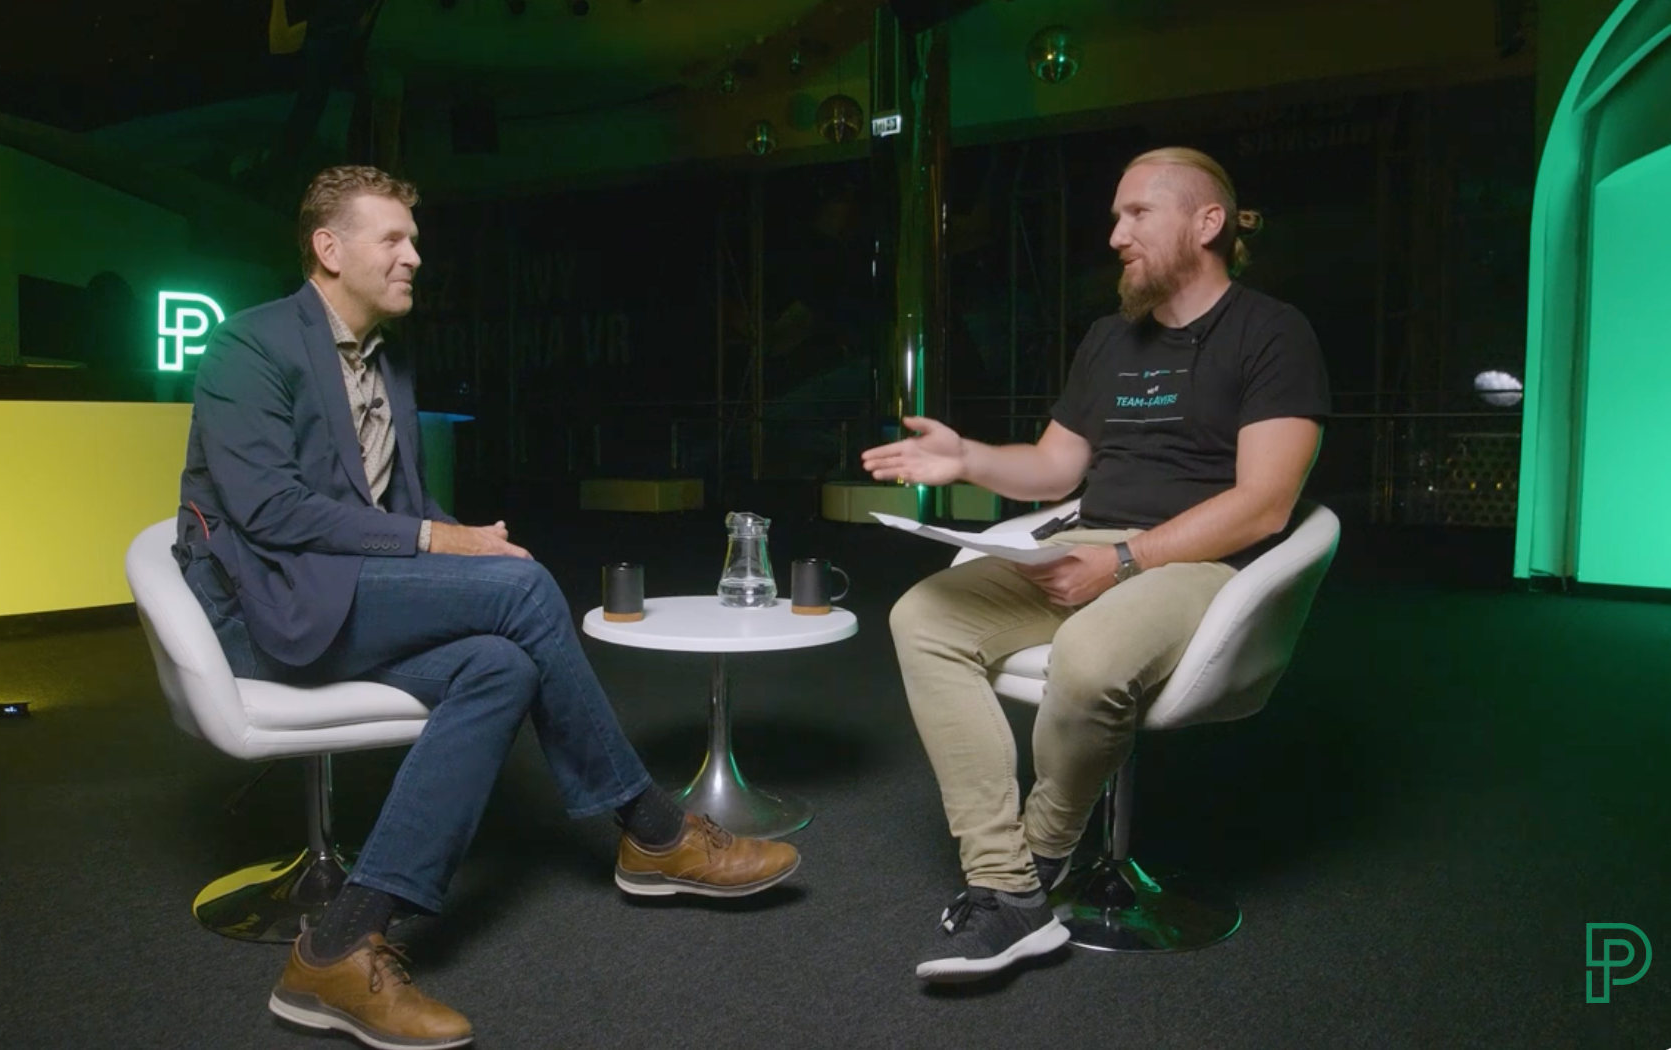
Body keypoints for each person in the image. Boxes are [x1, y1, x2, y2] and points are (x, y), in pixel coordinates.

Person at [176, 165, 799, 1048]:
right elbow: (270, 512)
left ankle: (342, 944)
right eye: (392, 238)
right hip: (265, 611)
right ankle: (652, 832)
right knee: (523, 589)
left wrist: (460, 533)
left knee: (501, 663)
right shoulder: (251, 346)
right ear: (328, 249)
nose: (414, 257)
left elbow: (395, 510)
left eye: (414, 240)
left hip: (343, 591)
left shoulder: (387, 361)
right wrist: (445, 548)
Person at [862, 147, 1328, 983]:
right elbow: (1054, 471)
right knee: (923, 616)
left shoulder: (1272, 332)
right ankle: (1008, 887)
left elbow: (1264, 503)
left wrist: (1120, 562)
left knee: (1091, 657)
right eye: (1115, 217)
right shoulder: (1108, 340)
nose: (1115, 235)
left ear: (1207, 223)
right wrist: (964, 458)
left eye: (1136, 214)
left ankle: (1033, 868)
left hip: (1202, 562)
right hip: (1095, 541)